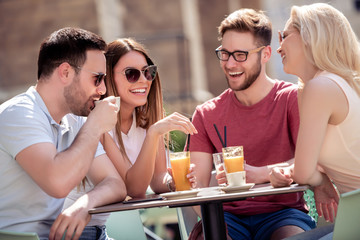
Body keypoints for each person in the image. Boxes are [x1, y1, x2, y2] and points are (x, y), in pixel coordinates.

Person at [189, 8, 316, 240]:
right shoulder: (206, 114)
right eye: (225, 54)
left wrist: (258, 174)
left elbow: (312, 160)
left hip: (284, 214)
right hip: (226, 216)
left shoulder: (292, 98)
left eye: (240, 55)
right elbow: (195, 187)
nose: (229, 63)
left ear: (266, 54)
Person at [0, 27, 126, 240]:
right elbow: (57, 183)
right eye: (97, 78)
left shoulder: (75, 119)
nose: (103, 89)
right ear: (65, 72)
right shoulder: (19, 114)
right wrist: (94, 126)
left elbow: (115, 184)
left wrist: (84, 205)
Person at [270, 2, 360, 234]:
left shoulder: (321, 87)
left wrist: (319, 180)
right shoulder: (329, 83)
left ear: (309, 37)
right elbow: (310, 164)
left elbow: (303, 171)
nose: (278, 47)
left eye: (284, 36)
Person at [101, 38, 197, 197]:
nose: (143, 80)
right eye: (131, 73)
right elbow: (134, 189)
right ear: (109, 77)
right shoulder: (99, 125)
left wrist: (172, 182)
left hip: (130, 217)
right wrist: (153, 134)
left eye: (147, 72)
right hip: (91, 219)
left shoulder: (147, 119)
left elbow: (158, 179)